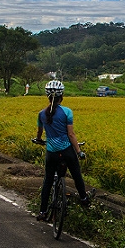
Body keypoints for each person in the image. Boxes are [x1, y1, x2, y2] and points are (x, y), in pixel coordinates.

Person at [34, 80, 93, 221]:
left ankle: (42, 212)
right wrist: (79, 152)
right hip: (66, 150)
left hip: (51, 152)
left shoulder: (41, 114)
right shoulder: (67, 112)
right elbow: (71, 135)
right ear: (62, 96)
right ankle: (84, 198)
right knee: (76, 173)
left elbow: (39, 133)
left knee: (48, 180)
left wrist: (38, 140)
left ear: (47, 96)